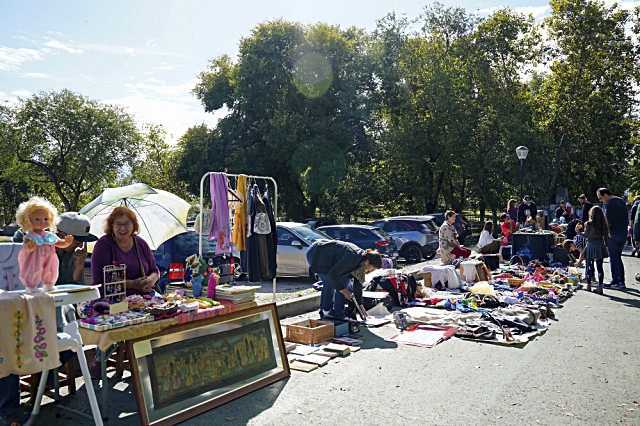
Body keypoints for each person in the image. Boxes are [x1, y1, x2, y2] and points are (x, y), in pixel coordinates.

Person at [0, 211, 97, 426]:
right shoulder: (30, 241)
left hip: (51, 314)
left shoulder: (71, 255)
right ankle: (10, 410)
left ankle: (37, 392)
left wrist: (79, 267)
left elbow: (68, 291)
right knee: (10, 347)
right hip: (20, 310)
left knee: (65, 344)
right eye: (78, 241)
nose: (82, 248)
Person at [306, 239, 382, 320]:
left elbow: (358, 285)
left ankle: (339, 313)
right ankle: (326, 311)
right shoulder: (352, 257)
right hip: (317, 253)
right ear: (367, 262)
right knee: (330, 282)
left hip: (333, 261)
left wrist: (360, 305)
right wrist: (344, 291)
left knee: (345, 283)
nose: (370, 271)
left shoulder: (362, 262)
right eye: (372, 269)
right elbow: (332, 275)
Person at [91, 206, 159, 295]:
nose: (122, 228)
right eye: (118, 224)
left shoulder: (141, 243)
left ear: (134, 225)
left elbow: (155, 271)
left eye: (127, 223)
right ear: (112, 225)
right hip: (111, 300)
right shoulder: (103, 245)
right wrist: (132, 284)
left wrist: (150, 280)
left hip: (144, 299)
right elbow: (100, 281)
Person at [597, 188, 628, 289]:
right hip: (622, 234)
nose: (601, 200)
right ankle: (619, 281)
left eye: (601, 198)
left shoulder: (609, 204)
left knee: (614, 259)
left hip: (613, 234)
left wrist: (604, 232)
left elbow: (607, 221)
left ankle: (618, 282)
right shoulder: (621, 201)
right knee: (617, 258)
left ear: (605, 194)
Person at [583, 206, 609, 294]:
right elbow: (606, 237)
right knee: (600, 267)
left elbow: (586, 235)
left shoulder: (588, 224)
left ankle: (588, 285)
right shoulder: (603, 224)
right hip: (600, 245)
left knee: (589, 266)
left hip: (591, 245)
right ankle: (600, 287)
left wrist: (579, 231)